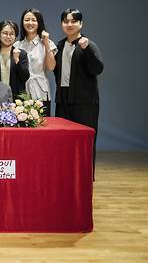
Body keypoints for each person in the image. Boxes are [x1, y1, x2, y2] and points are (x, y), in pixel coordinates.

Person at [54, 9, 104, 174]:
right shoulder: (60, 46)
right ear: (61, 24)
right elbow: (54, 70)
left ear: (80, 24)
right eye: (66, 21)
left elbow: (97, 69)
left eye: (73, 21)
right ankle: (66, 176)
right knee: (63, 141)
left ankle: (86, 177)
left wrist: (87, 49)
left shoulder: (88, 44)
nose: (69, 24)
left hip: (85, 102)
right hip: (63, 100)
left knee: (85, 142)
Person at [14, 8, 57, 114]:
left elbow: (51, 67)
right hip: (22, 90)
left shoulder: (47, 43)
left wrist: (46, 44)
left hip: (40, 89)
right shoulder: (17, 45)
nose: (30, 23)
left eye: (34, 20)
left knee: (42, 124)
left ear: (39, 23)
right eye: (27, 20)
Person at [0, 20, 30, 99]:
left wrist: (17, 60)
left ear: (15, 36)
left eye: (12, 34)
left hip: (16, 98)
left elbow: (25, 77)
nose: (8, 36)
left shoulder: (21, 54)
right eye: (5, 33)